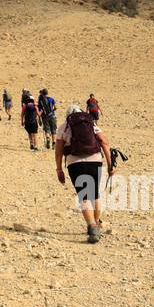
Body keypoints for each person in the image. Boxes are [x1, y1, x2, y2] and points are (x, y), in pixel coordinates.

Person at [55, 103, 114, 244]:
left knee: (84, 196)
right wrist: (110, 164)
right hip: (95, 161)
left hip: (75, 164)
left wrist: (59, 169)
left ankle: (92, 227)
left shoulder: (64, 126)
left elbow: (58, 151)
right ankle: (96, 224)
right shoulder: (91, 124)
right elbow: (104, 142)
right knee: (94, 194)